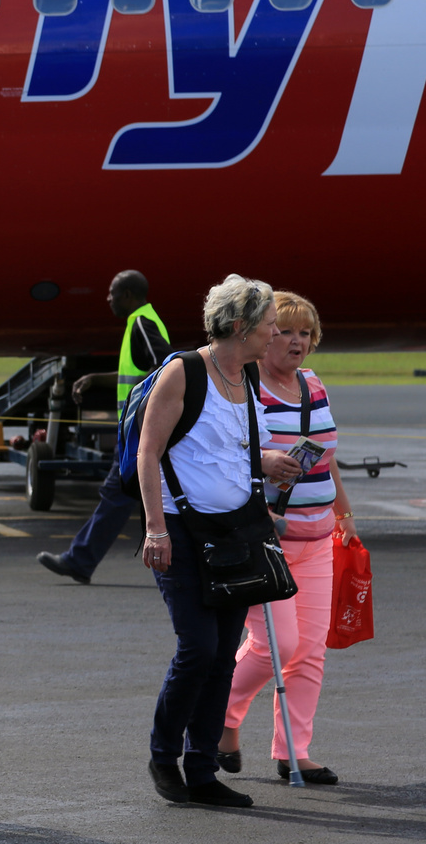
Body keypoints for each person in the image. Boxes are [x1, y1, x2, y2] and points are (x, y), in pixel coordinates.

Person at [136, 275, 305, 808]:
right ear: (238, 327)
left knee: (223, 659)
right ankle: (164, 757)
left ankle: (203, 769)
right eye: (268, 326)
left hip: (235, 531)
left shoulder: (247, 376)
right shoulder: (183, 372)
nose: (275, 334)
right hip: (181, 531)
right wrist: (154, 527)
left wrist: (265, 466)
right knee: (200, 648)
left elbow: (225, 448)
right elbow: (148, 452)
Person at [220, 291, 359, 785]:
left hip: (319, 535)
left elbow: (325, 454)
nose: (296, 341)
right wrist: (262, 462)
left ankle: (295, 751)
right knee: (276, 644)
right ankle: (223, 716)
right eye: (285, 331)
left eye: (305, 332)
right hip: (267, 538)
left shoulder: (314, 385)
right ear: (262, 335)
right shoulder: (245, 387)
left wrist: (342, 509)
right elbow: (220, 448)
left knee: (310, 650)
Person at [38, 270, 171, 583]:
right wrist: (96, 378)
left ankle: (79, 561)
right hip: (137, 429)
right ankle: (80, 560)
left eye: (112, 293)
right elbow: (141, 371)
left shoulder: (141, 322)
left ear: (127, 295)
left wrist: (141, 399)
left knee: (116, 495)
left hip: (140, 429)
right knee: (123, 496)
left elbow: (164, 366)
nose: (108, 300)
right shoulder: (140, 321)